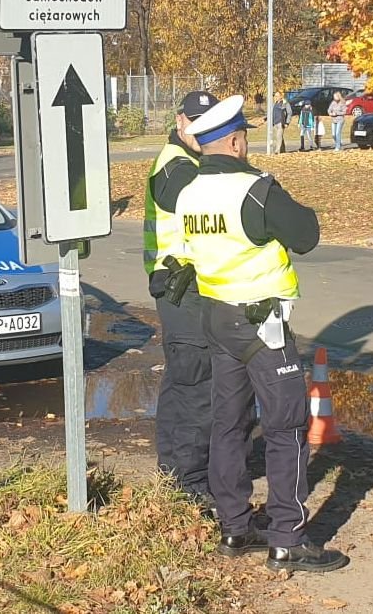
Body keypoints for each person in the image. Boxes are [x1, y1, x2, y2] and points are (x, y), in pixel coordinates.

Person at [177, 94, 349, 573]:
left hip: (217, 318)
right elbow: (306, 235)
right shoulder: (256, 188)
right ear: (234, 141)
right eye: (245, 136)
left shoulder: (189, 191)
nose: (247, 143)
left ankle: (234, 526)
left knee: (228, 425)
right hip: (261, 324)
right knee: (287, 427)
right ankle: (287, 538)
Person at [143, 90, 220, 510]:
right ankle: (190, 484)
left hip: (185, 286)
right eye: (195, 121)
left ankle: (174, 474)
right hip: (180, 286)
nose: (201, 129)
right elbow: (191, 202)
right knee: (196, 385)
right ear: (179, 121)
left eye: (209, 122)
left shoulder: (188, 161)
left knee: (182, 382)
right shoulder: (174, 165)